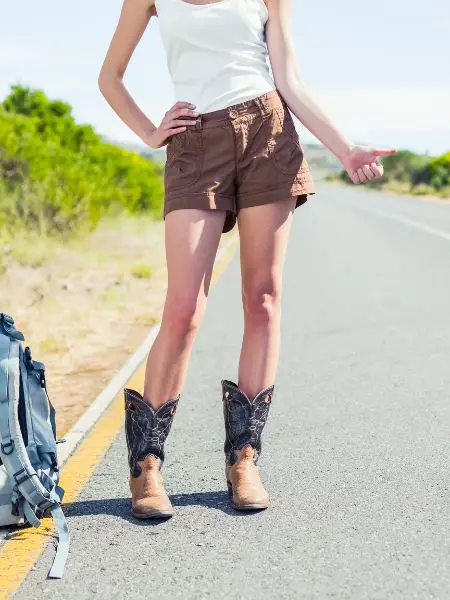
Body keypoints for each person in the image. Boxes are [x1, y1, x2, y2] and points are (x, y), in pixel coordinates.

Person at [98, 0, 395, 518]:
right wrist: (150, 133)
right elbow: (110, 77)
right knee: (184, 307)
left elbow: (290, 80)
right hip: (195, 144)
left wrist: (345, 149)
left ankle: (244, 460)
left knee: (263, 298)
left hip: (268, 134)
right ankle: (146, 466)